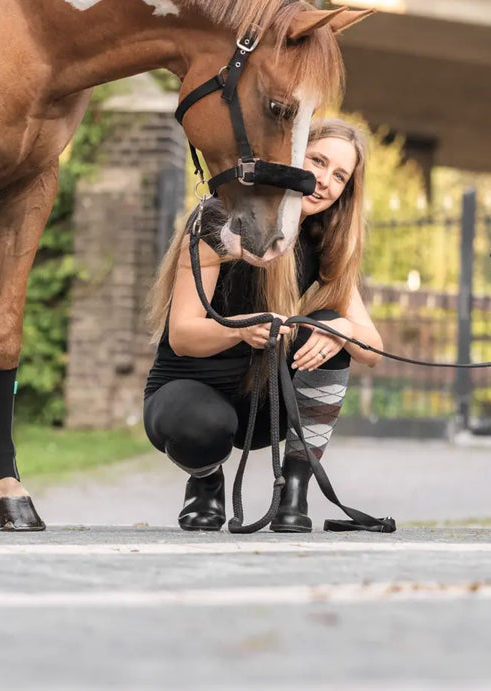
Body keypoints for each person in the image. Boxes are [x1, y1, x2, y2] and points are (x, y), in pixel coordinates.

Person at [143, 118, 384, 532]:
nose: (325, 180)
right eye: (318, 161)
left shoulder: (323, 239)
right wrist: (238, 329)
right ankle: (205, 482)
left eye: (340, 175)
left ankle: (294, 490)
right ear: (290, 159)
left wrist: (340, 328)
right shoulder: (221, 219)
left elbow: (372, 349)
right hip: (189, 394)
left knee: (329, 325)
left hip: (262, 406)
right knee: (203, 425)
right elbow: (182, 335)